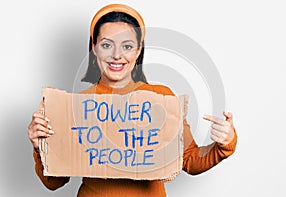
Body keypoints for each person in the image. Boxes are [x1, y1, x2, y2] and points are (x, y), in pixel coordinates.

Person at [27, 3, 237, 197]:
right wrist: (40, 147)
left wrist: (223, 145)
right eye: (107, 45)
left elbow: (189, 160)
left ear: (138, 50)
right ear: (94, 47)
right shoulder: (74, 106)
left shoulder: (162, 98)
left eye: (127, 46)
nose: (117, 55)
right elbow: (54, 182)